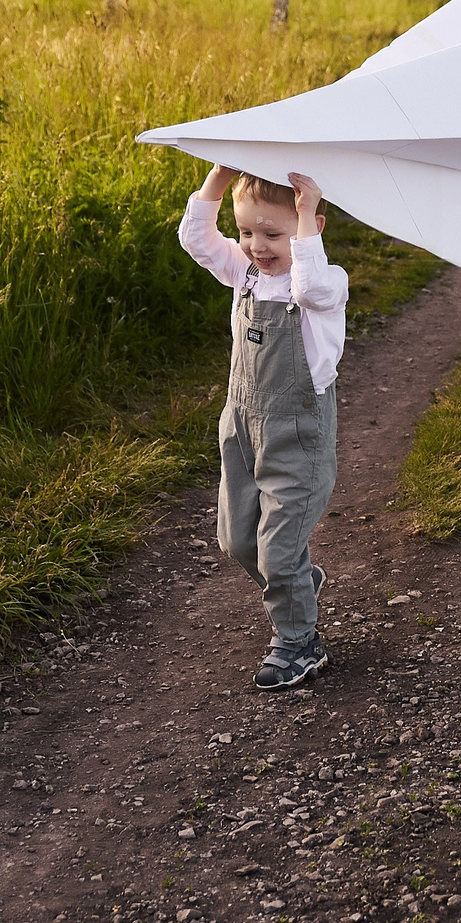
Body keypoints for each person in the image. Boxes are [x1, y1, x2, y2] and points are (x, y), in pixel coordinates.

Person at [179, 165, 347, 690]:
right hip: (242, 424)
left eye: (273, 234)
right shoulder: (245, 273)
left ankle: (299, 642)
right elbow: (195, 238)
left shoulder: (323, 282)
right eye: (248, 231)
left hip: (297, 430)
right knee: (236, 540)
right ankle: (298, 583)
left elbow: (310, 285)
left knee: (276, 549)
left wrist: (301, 223)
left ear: (310, 229)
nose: (256, 246)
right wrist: (219, 177)